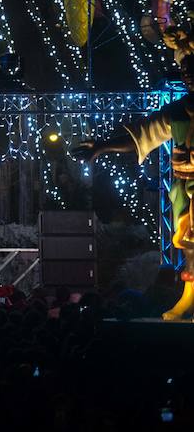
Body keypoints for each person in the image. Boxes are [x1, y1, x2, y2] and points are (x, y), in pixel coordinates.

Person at [72, 28, 194, 320]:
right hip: (185, 189)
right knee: (190, 245)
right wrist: (102, 146)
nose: (188, 75)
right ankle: (190, 297)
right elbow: (142, 134)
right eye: (185, 69)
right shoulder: (178, 111)